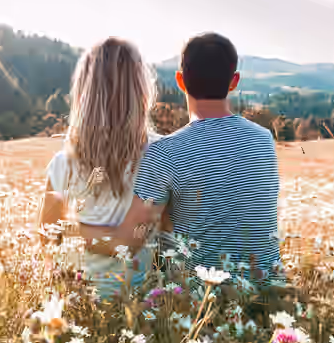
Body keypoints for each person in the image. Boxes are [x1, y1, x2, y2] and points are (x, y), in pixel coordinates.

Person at [78, 32, 285, 291]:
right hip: (268, 289)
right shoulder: (264, 139)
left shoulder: (164, 153)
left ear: (180, 81)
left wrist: (77, 229)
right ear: (234, 82)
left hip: (201, 297)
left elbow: (127, 243)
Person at [39, 37, 160, 300]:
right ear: (142, 93)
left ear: (82, 95)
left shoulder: (62, 163)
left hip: (77, 301)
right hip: (140, 302)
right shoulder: (160, 156)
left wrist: (72, 231)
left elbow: (47, 238)